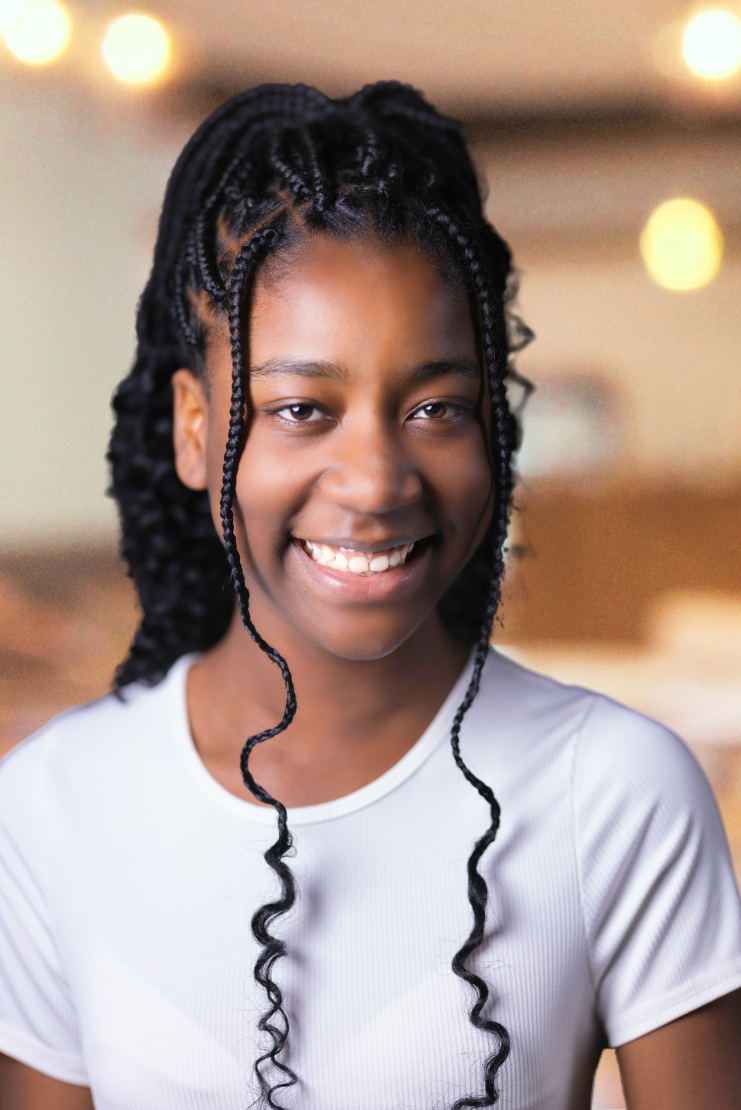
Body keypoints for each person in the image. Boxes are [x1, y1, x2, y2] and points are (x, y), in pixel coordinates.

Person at [0, 82, 740, 1110]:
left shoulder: (616, 791)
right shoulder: (52, 805)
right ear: (195, 426)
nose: (378, 479)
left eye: (437, 407)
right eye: (303, 407)